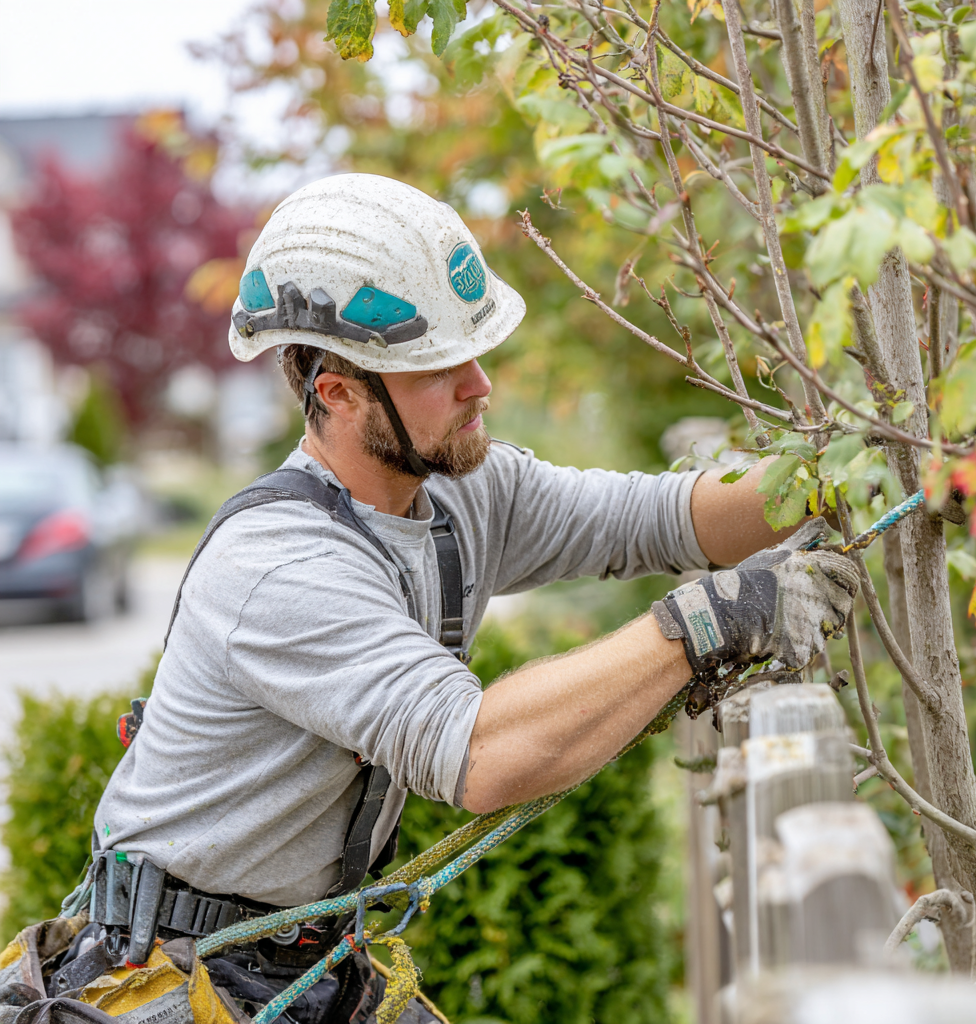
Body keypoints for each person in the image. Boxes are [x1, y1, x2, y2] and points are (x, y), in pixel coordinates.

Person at [21, 174, 857, 1024]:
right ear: (337, 393)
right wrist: (708, 621)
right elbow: (482, 754)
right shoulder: (278, 568)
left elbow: (662, 517)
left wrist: (849, 476)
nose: (478, 384)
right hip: (175, 973)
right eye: (436, 367)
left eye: (474, 351)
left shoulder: (461, 490)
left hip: (301, 957)